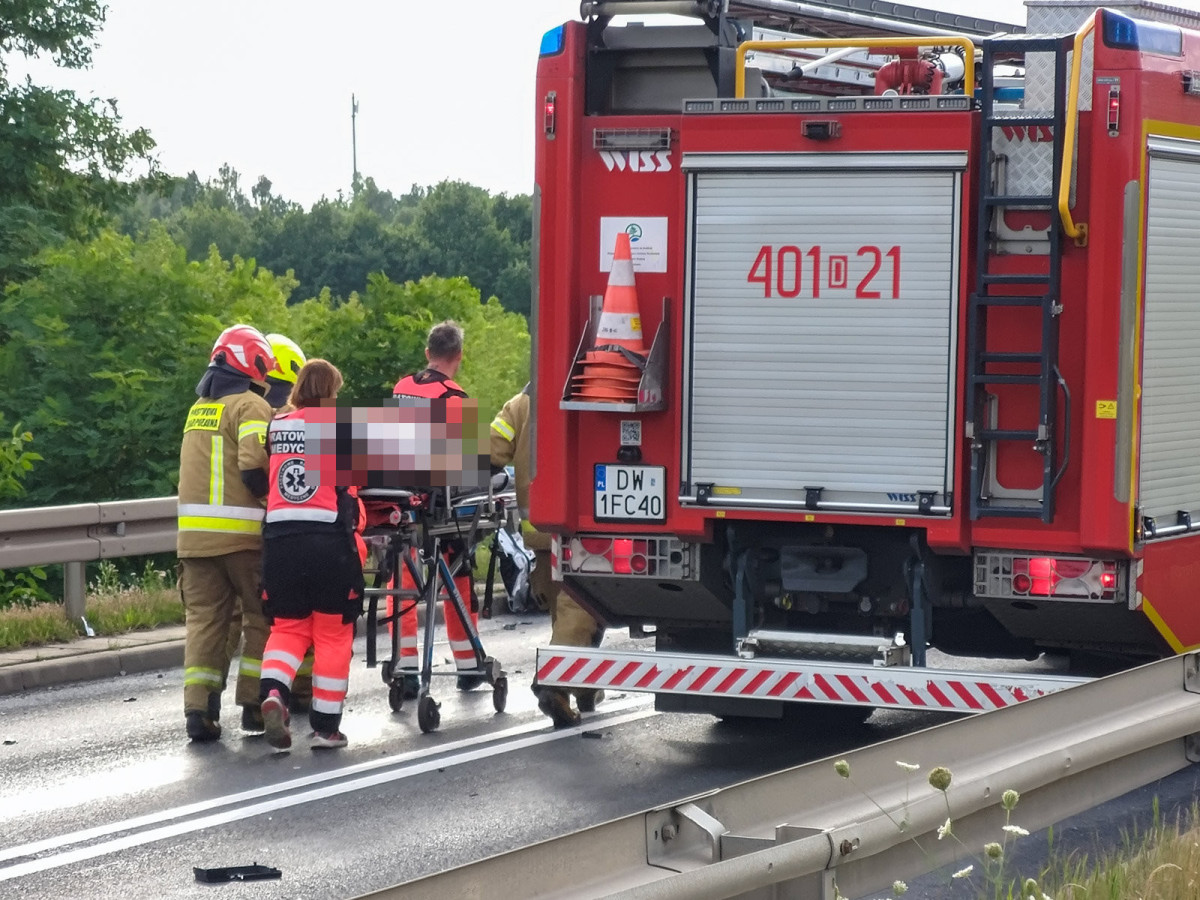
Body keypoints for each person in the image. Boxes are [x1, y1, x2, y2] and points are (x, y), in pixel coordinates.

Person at [258, 359, 366, 750]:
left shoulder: (277, 425)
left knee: (287, 629)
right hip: (328, 545)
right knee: (333, 635)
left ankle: (273, 692)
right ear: (330, 392)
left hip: (280, 543)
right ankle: (324, 727)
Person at [177, 324, 275, 742]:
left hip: (195, 540)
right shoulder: (250, 405)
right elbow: (255, 466)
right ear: (252, 363)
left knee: (205, 622)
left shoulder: (199, 407)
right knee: (263, 617)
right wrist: (276, 501)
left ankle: (200, 710)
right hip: (243, 537)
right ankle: (254, 705)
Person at [490, 383, 604, 728]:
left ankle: (583, 689)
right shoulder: (596, 394)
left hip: (540, 529)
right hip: (583, 525)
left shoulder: (518, 404)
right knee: (582, 609)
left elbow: (489, 451)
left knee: (564, 614)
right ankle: (555, 683)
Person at [224, 332, 316, 724]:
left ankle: (254, 699)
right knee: (298, 613)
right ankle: (296, 693)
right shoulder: (291, 418)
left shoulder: (251, 409)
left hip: (260, 531)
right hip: (286, 532)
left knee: (255, 620)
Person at [392, 320, 482, 694]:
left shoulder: (402, 388)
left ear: (428, 353)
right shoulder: (455, 398)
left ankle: (406, 668)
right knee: (458, 578)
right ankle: (469, 666)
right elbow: (465, 468)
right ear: (457, 357)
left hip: (398, 500)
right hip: (439, 506)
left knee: (404, 584)